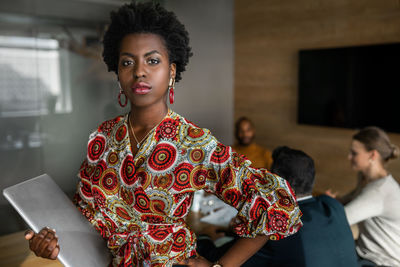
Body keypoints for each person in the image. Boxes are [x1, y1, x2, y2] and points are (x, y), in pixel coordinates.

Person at [23, 2, 302, 266]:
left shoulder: (193, 142)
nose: (140, 72)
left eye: (152, 61)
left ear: (171, 71)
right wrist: (53, 242)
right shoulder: (102, 138)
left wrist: (221, 265)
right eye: (128, 63)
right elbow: (82, 217)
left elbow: (275, 202)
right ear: (117, 73)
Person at [197, 146, 358, 267]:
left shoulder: (277, 224)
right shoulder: (332, 204)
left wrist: (205, 237)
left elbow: (220, 260)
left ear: (276, 182)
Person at [339, 127, 400, 266]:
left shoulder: (379, 191)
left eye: (354, 153)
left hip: (382, 262)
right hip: (365, 252)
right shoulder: (366, 178)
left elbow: (341, 220)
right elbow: (351, 198)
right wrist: (332, 200)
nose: (349, 157)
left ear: (372, 155)